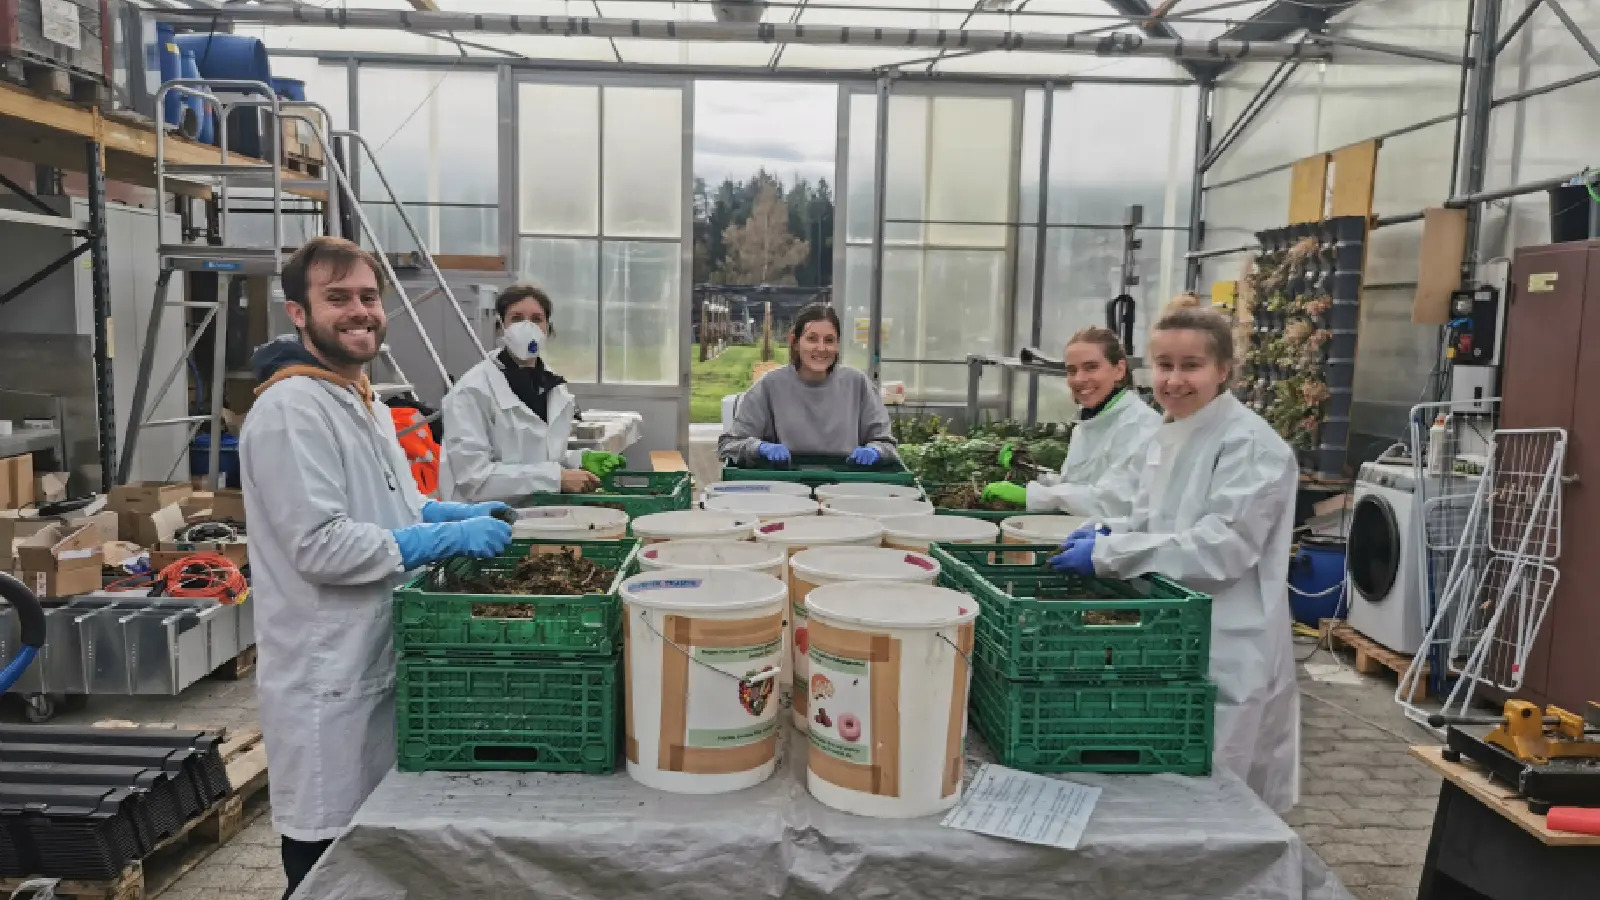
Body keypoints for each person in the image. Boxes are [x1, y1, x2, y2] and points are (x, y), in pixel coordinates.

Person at [240, 237, 514, 898]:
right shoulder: (289, 411)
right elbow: (321, 545)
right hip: (326, 684)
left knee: (375, 862)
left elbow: (393, 499)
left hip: (374, 662)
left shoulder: (357, 396)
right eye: (337, 298)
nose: (359, 311)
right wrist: (434, 544)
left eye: (367, 297)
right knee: (326, 869)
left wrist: (441, 514)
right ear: (298, 312)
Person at [1046, 301, 1300, 814]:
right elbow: (1149, 516)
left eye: (1191, 366)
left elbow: (1221, 548)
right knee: (1170, 787)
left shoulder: (1250, 446)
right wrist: (1105, 530)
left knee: (1218, 793)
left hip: (1227, 643)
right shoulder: (1172, 430)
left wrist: (1111, 554)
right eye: (1164, 366)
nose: (1175, 380)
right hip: (1172, 630)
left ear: (1223, 370)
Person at [438, 283, 624, 503]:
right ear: (500, 327)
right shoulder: (471, 391)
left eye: (536, 319)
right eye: (517, 318)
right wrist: (557, 478)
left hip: (537, 514)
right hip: (483, 521)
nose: (527, 327)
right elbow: (473, 478)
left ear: (547, 329)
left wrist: (577, 459)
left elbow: (540, 454)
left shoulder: (552, 386)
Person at [979, 327, 1161, 518]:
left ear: (1119, 370)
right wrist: (1027, 470)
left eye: (1091, 367)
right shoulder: (1088, 424)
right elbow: (1075, 486)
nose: (1079, 379)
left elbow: (1115, 502)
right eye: (1072, 371)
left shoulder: (1142, 426)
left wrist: (1033, 496)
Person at [718, 303, 898, 467]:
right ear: (794, 342)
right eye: (812, 339)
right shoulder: (770, 386)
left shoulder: (857, 384)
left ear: (837, 345)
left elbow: (886, 444)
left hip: (846, 489)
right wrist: (759, 448)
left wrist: (875, 451)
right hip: (785, 489)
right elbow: (729, 445)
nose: (821, 348)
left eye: (829, 340)